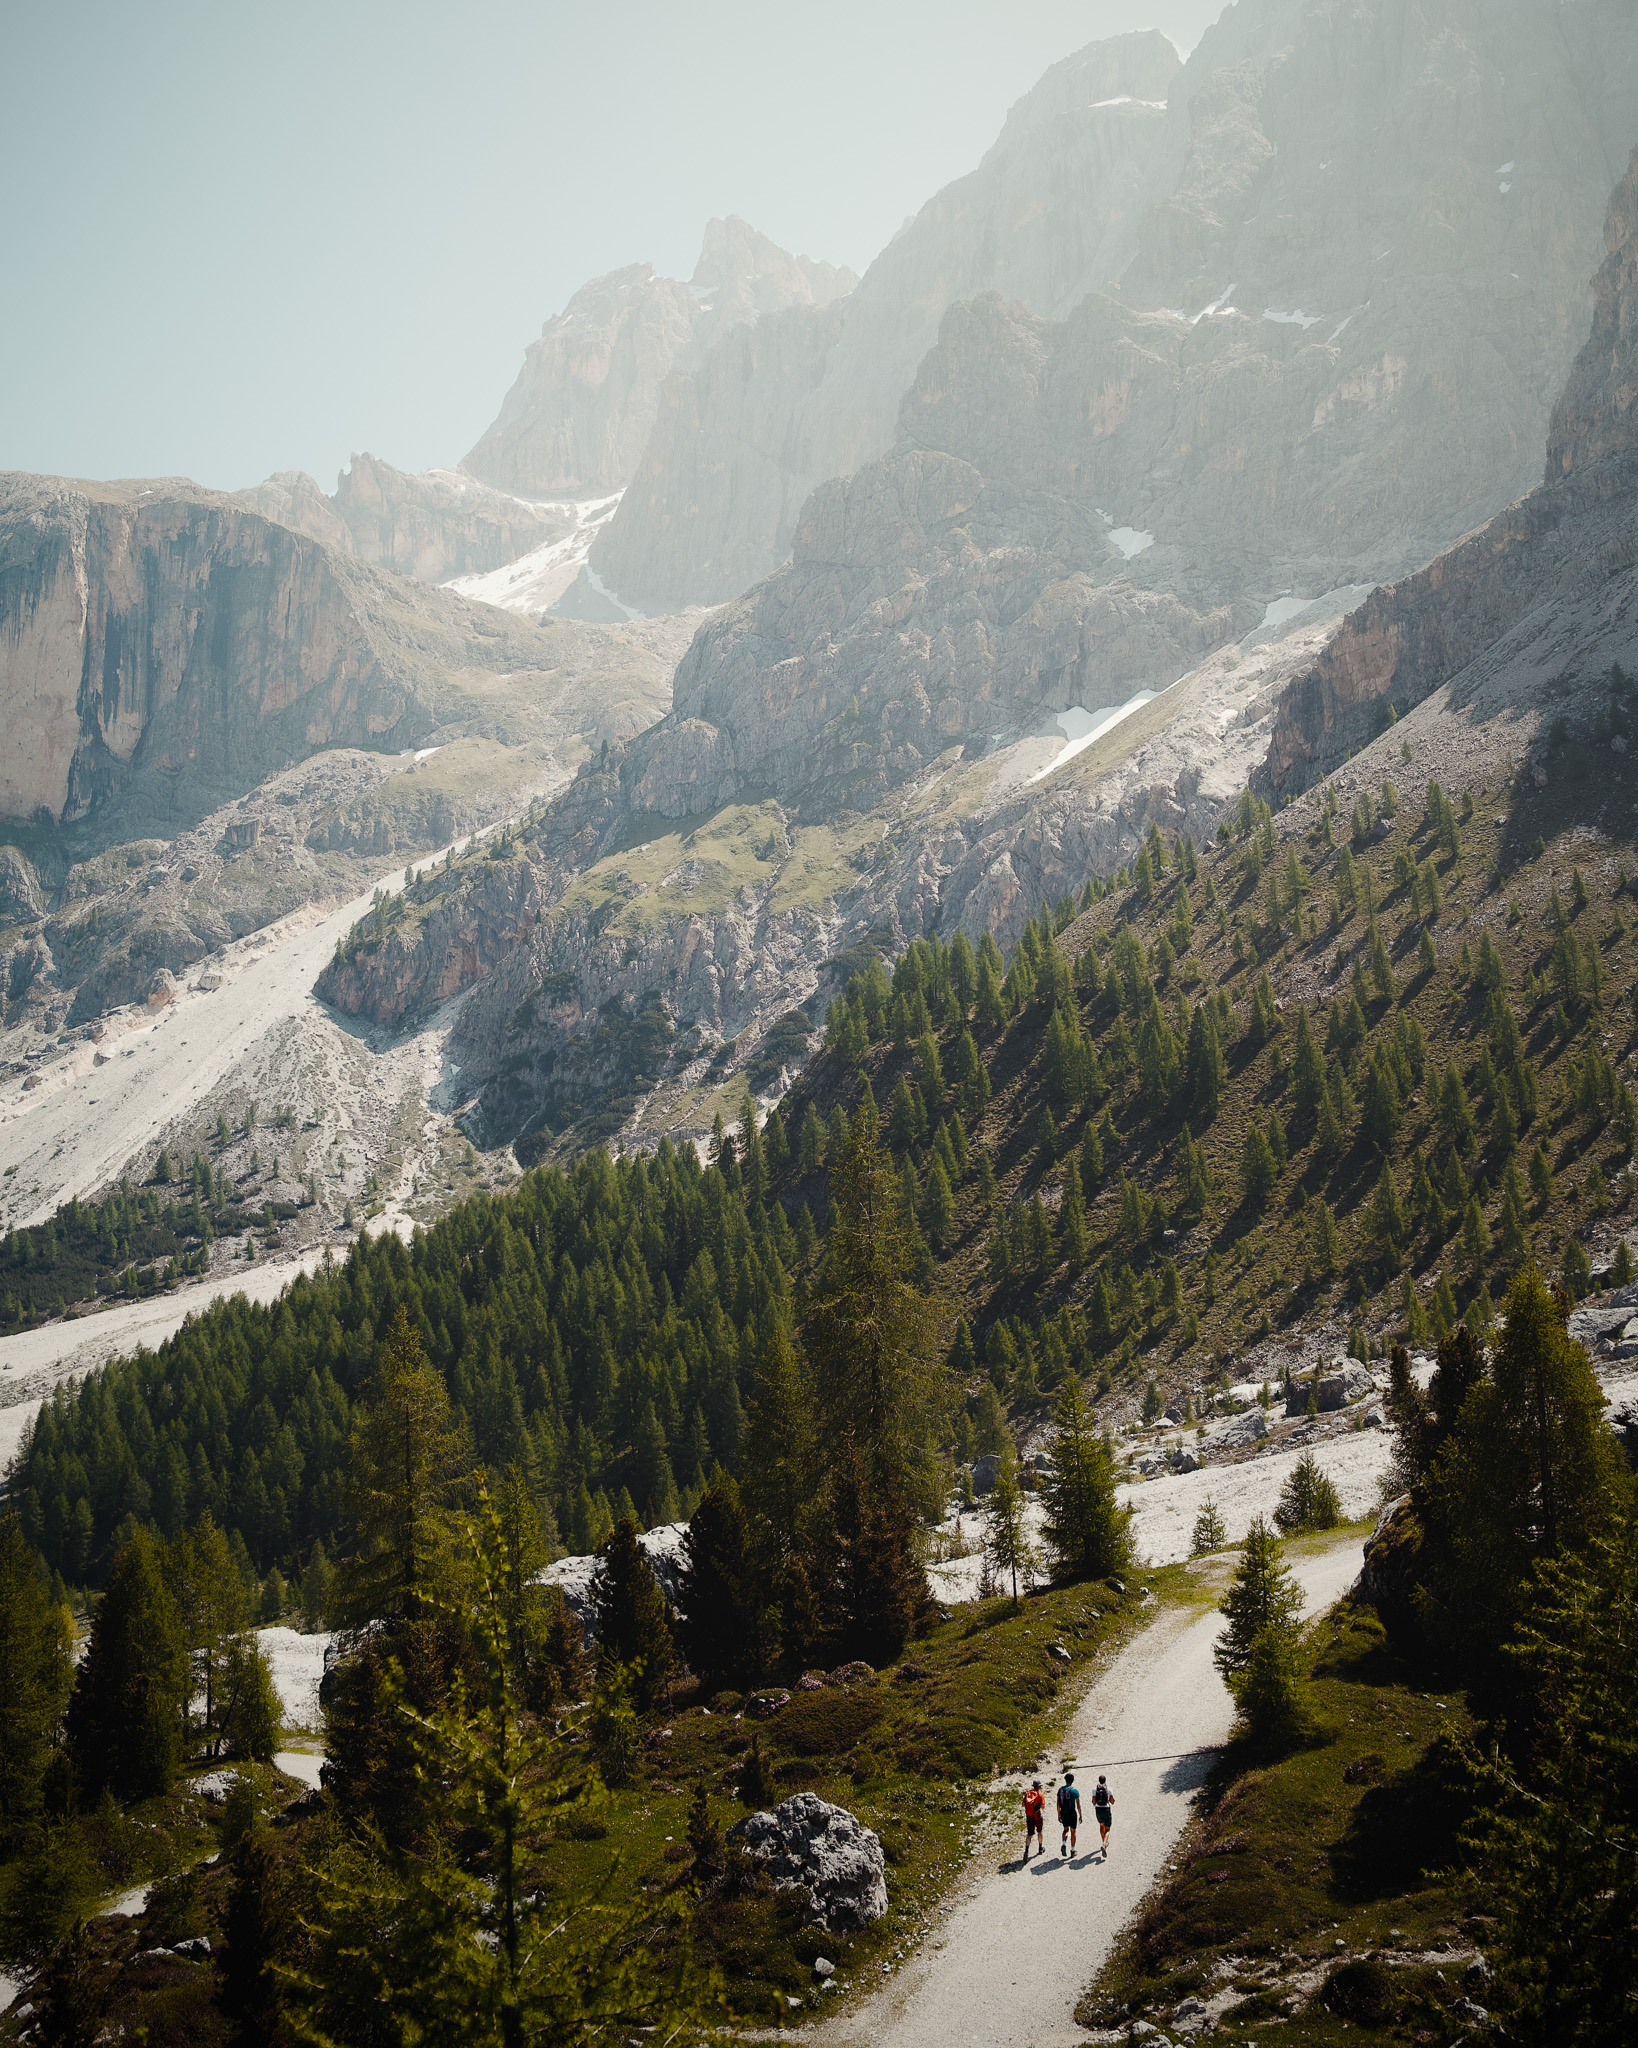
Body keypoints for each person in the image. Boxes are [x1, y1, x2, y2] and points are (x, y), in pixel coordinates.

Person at [1056, 1770, 1082, 1856]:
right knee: (1073, 1831)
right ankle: (1072, 1850)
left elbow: (1058, 1804)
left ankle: (1063, 1843)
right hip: (1072, 1813)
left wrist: (1059, 1814)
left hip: (1063, 1812)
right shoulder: (1074, 1791)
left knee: (1065, 1829)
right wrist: (1080, 1815)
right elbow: (1078, 1805)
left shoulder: (1060, 1790)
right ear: (1072, 1780)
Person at [1022, 1779, 1045, 1860]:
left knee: (1029, 1835)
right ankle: (1040, 1848)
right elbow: (1042, 1806)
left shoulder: (1027, 1793)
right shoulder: (1040, 1794)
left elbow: (1023, 1804)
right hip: (1037, 1817)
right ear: (1039, 1787)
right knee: (1039, 1832)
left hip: (1029, 1817)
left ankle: (1026, 1851)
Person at [1092, 1773, 1114, 1855]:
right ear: (1105, 1781)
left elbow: (1093, 1802)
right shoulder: (1109, 1789)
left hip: (1098, 1809)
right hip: (1106, 1809)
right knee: (1107, 1828)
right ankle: (1105, 1843)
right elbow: (1112, 1801)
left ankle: (1103, 1842)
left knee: (1101, 1825)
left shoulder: (1094, 1789)